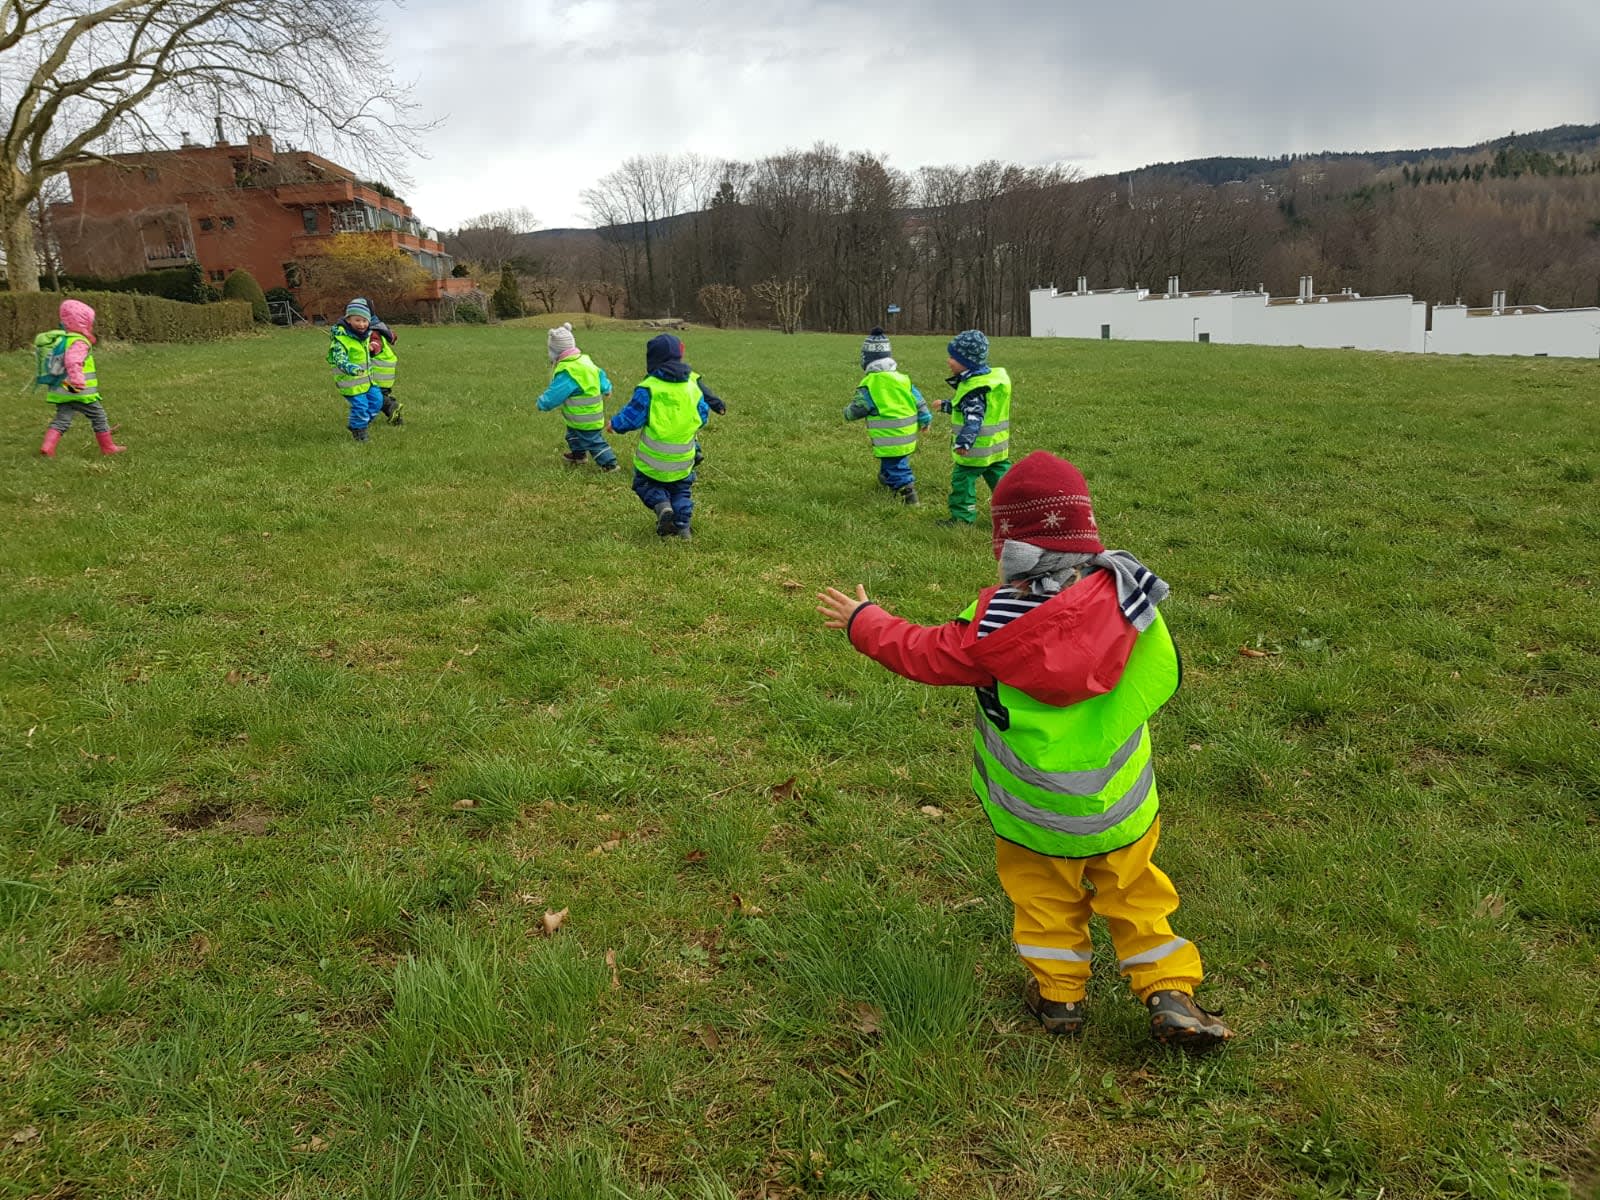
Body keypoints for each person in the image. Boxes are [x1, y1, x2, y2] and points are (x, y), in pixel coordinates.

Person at [817, 451, 1234, 1053]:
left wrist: (864, 620)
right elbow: (1159, 678)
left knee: (1043, 901)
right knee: (1136, 893)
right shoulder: (1132, 598)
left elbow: (922, 651)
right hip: (1121, 809)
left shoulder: (990, 628)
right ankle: (1169, 992)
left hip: (1032, 816)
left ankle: (1060, 998)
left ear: (1009, 546)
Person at [606, 334, 725, 540]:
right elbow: (702, 415)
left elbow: (632, 415)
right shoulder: (692, 385)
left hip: (652, 462)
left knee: (644, 485)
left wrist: (615, 425)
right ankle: (683, 528)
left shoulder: (650, 387)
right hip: (684, 460)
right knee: (682, 491)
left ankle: (662, 506)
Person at [843, 327, 932, 504]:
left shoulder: (870, 383)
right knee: (895, 460)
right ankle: (886, 478)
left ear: (866, 360)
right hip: (907, 433)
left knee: (897, 466)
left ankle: (908, 493)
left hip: (889, 436)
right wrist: (925, 418)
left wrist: (847, 413)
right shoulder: (902, 378)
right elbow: (919, 400)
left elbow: (859, 407)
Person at [938, 328, 1013, 527]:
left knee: (962, 482)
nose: (949, 360)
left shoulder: (973, 389)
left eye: (953, 357)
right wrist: (946, 405)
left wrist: (964, 442)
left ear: (967, 362)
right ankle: (1016, 511)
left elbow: (973, 417)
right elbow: (970, 409)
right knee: (1004, 482)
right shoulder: (987, 381)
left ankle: (962, 518)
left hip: (975, 451)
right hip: (996, 449)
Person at [38, 299, 125, 457]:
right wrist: (78, 381)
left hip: (62, 388)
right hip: (77, 389)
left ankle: (47, 446)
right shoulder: (79, 342)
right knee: (98, 416)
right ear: (83, 323)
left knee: (62, 418)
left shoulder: (62, 339)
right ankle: (108, 447)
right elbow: (73, 361)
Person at [535, 322, 617, 471]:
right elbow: (600, 375)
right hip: (586, 415)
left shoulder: (568, 371)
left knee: (593, 442)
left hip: (584, 417)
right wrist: (607, 387)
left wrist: (543, 402)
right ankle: (579, 456)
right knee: (573, 435)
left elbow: (556, 392)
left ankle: (610, 464)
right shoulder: (585, 361)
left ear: (555, 352)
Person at [325, 297, 386, 441]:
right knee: (361, 406)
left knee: (378, 401)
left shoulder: (364, 336)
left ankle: (361, 423)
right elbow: (339, 360)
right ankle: (359, 429)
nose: (362, 324)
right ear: (348, 320)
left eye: (365, 320)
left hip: (368, 380)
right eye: (357, 320)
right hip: (351, 383)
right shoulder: (341, 340)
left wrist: (372, 347)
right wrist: (350, 368)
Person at [366, 310, 403, 425]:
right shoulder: (377, 328)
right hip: (383, 370)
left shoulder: (372, 332)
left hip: (379, 371)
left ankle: (392, 406)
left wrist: (371, 348)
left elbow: (376, 343)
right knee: (378, 396)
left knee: (374, 396)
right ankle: (396, 419)